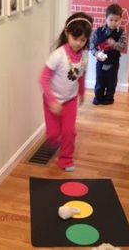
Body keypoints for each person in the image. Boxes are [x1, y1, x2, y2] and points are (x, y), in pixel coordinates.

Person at [39, 12, 93, 171]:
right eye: (75, 38)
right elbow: (43, 78)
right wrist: (52, 101)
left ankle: (66, 159)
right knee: (54, 134)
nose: (78, 43)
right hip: (52, 100)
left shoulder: (84, 56)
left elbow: (81, 75)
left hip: (70, 100)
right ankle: (52, 141)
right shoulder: (58, 55)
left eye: (82, 40)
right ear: (67, 33)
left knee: (69, 131)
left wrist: (82, 93)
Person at [90, 3, 127, 105]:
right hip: (100, 63)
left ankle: (109, 98)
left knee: (111, 82)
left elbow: (123, 46)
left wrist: (114, 44)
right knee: (100, 81)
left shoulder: (121, 33)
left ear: (120, 20)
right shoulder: (98, 31)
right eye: (111, 20)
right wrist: (96, 53)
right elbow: (91, 45)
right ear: (106, 18)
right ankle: (98, 97)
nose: (113, 23)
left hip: (113, 63)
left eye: (116, 20)